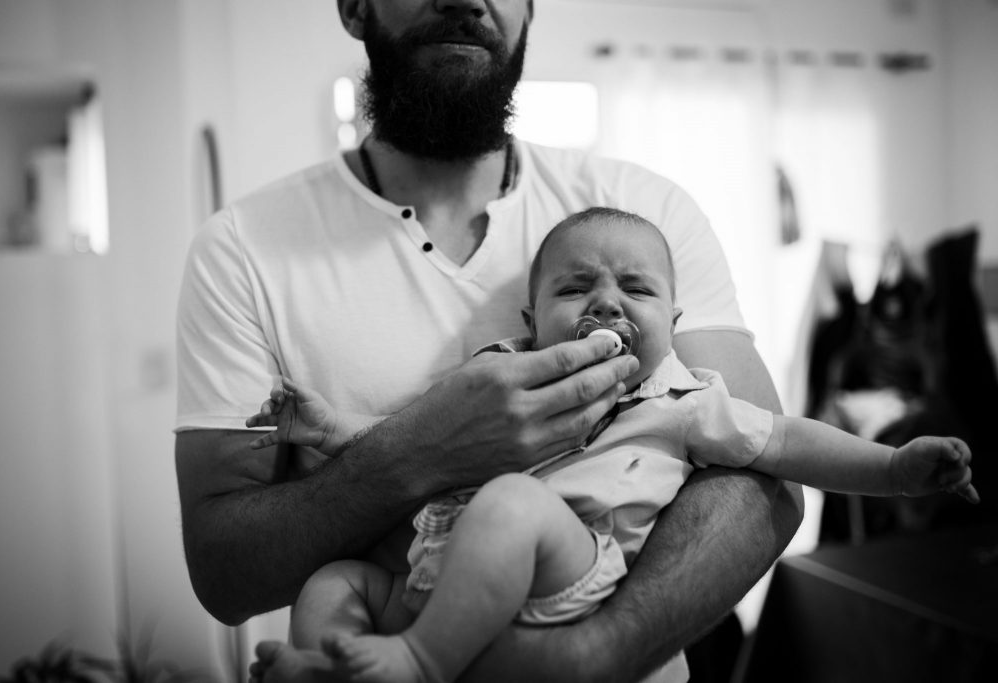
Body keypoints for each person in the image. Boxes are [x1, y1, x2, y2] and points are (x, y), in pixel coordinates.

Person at [174, 1, 805, 681]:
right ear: (355, 6)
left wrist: (594, 653)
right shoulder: (242, 250)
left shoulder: (641, 217)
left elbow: (765, 477)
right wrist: (421, 450)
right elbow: (223, 569)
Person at [242, 208, 978, 683]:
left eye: (636, 287)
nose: (607, 301)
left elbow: (785, 441)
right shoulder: (499, 374)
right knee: (335, 581)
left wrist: (893, 468)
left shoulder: (681, 398)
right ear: (532, 322)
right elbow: (405, 438)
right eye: (576, 287)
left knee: (511, 503)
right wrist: (331, 430)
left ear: (674, 318)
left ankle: (419, 661)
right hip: (434, 570)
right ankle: (326, 668)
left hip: (564, 572)